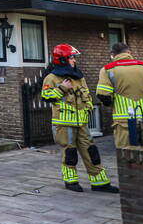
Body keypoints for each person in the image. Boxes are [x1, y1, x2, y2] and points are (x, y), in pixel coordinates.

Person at [41, 44, 118, 193]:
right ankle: (71, 181)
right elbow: (46, 96)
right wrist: (62, 88)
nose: (74, 60)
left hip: (82, 123)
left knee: (91, 151)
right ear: (62, 60)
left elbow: (86, 94)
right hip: (64, 124)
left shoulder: (78, 76)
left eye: (74, 58)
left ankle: (99, 182)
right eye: (71, 57)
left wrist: (89, 106)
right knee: (70, 153)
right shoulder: (51, 78)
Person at [96, 41, 143, 148]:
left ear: (112, 54)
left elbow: (104, 96)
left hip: (123, 120)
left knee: (127, 155)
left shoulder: (108, 69)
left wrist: (112, 103)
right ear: (129, 52)